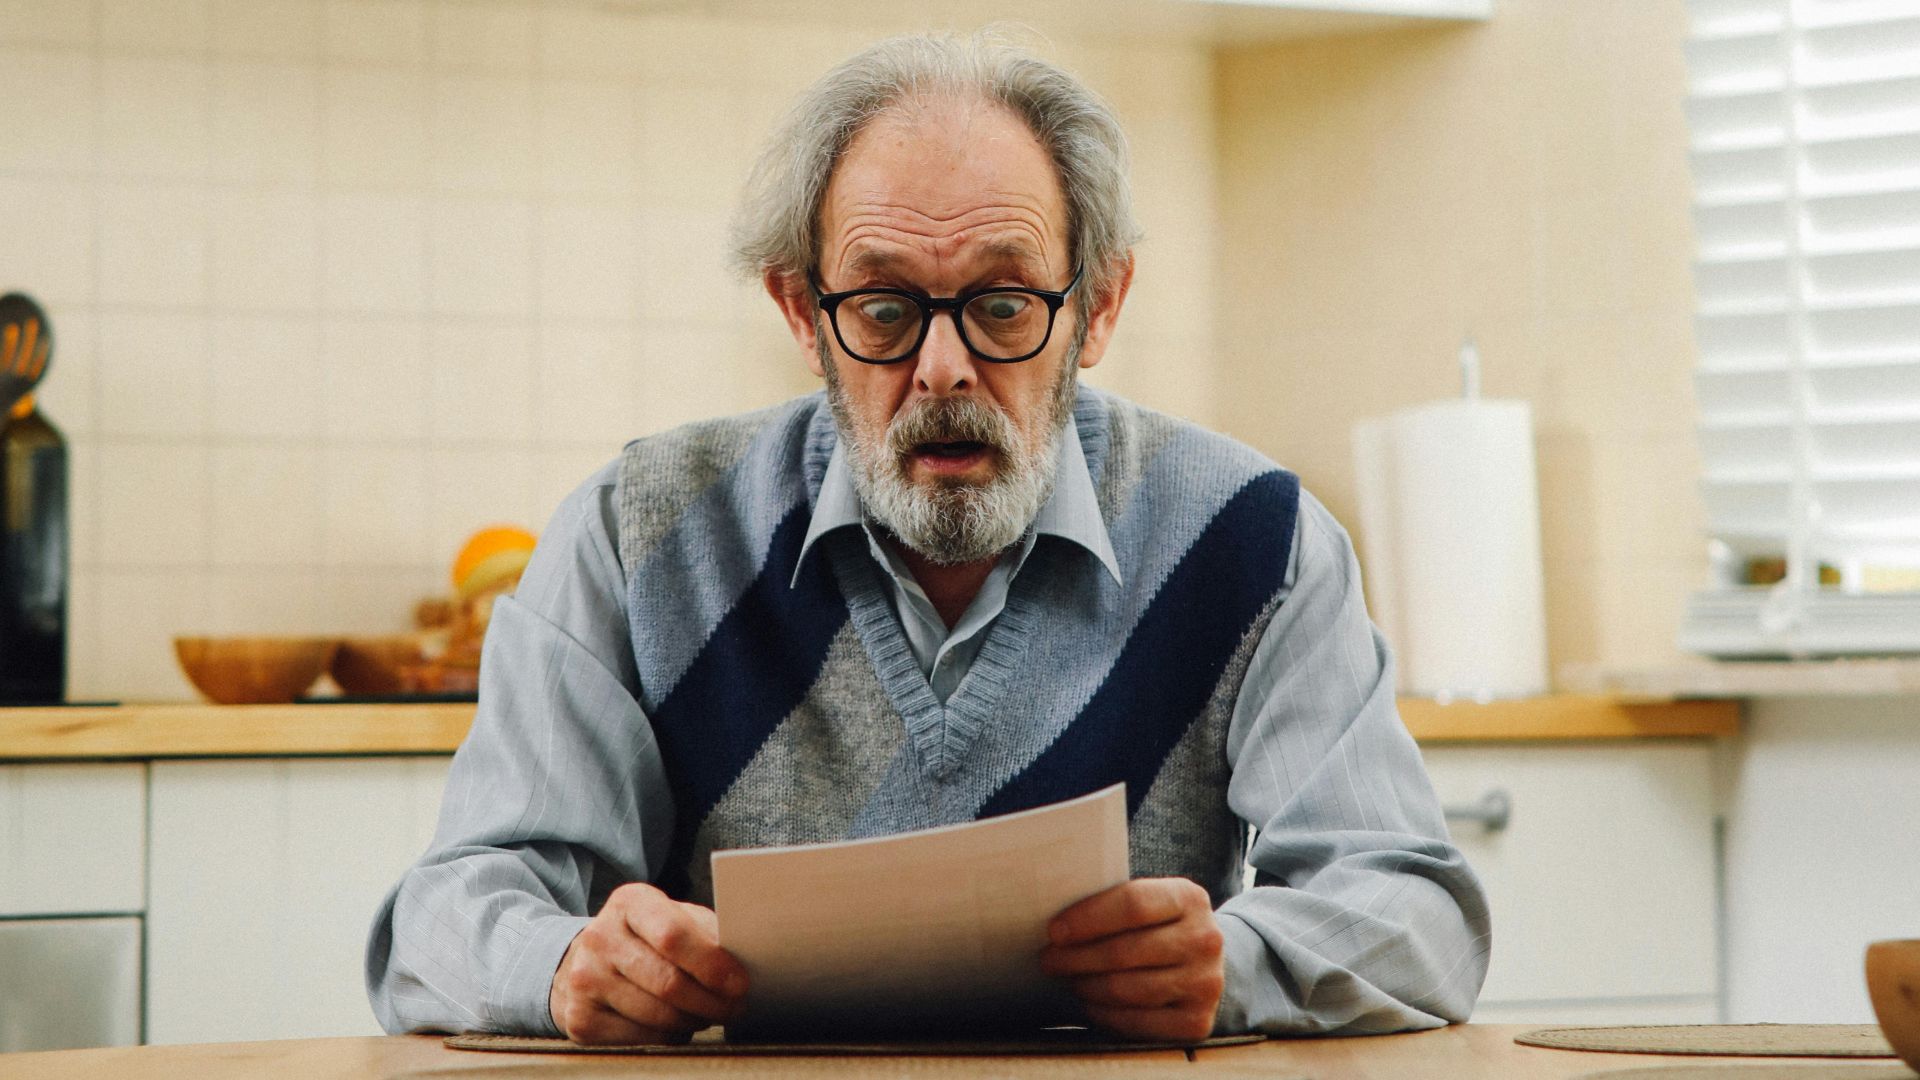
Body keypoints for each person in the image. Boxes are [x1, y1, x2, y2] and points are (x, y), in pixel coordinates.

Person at [366, 31, 1490, 1046]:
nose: (944, 370)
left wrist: (1236, 964)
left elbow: (1417, 910)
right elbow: (441, 916)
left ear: (1097, 307)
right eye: (887, 310)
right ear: (803, 314)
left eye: (1005, 305)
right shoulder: (637, 533)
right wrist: (564, 964)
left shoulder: (1254, 541)